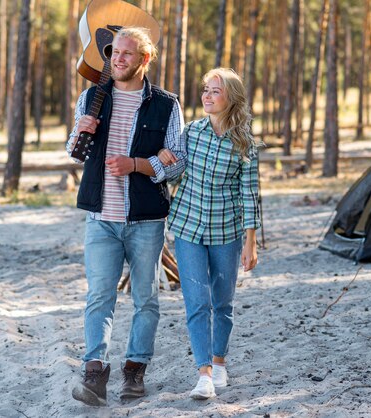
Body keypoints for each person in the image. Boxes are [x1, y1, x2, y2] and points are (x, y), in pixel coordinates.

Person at [67, 26, 185, 406]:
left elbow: (177, 161)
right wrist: (79, 134)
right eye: (114, 52)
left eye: (126, 54)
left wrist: (136, 164)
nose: (118, 59)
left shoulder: (167, 105)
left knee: (146, 298)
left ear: (144, 59)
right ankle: (94, 371)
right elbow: (76, 151)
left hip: (146, 221)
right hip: (101, 216)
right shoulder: (91, 98)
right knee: (99, 296)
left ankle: (134, 370)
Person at [158, 68, 261, 400]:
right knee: (197, 301)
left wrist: (250, 241)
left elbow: (250, 194)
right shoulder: (191, 132)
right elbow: (173, 174)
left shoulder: (245, 141)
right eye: (205, 90)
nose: (206, 95)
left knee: (223, 302)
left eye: (215, 91)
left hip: (226, 230)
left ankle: (219, 363)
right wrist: (163, 157)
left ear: (230, 98)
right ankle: (203, 373)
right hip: (188, 225)